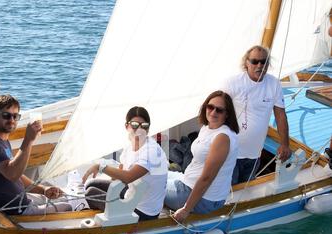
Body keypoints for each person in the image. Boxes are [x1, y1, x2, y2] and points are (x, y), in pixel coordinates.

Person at [0, 94, 71, 215]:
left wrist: (43, 190)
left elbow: (17, 175)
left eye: (15, 116)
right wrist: (28, 140)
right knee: (68, 207)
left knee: (64, 197)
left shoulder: (1, 140)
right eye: (6, 115)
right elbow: (13, 174)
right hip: (13, 210)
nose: (12, 120)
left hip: (20, 201)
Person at [82, 106, 168, 221]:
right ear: (126, 126)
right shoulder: (130, 145)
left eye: (144, 126)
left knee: (91, 193)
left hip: (143, 212)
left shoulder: (151, 151)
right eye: (134, 125)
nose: (139, 129)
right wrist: (111, 188)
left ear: (148, 129)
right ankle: (111, 214)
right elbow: (120, 175)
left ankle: (112, 221)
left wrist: (100, 167)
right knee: (91, 184)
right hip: (131, 195)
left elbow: (128, 177)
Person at [164, 90, 239, 222]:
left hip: (202, 199)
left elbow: (207, 178)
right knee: (157, 173)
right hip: (187, 182)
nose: (213, 112)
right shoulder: (208, 127)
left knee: (149, 182)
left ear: (227, 114)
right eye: (210, 107)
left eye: (219, 110)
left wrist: (186, 209)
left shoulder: (222, 138)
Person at [223, 45, 291, 185]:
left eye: (264, 61)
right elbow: (217, 111)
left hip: (255, 155)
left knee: (246, 192)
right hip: (231, 154)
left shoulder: (274, 84)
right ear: (246, 63)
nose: (259, 65)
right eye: (255, 61)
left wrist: (285, 144)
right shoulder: (232, 83)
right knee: (228, 193)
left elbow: (280, 116)